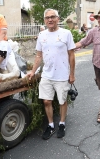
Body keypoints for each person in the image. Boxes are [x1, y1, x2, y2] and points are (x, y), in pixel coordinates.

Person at [27, 8, 75, 140]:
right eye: (47, 18)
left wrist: (72, 74)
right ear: (44, 20)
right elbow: (38, 55)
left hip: (62, 74)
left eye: (53, 17)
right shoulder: (42, 36)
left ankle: (62, 123)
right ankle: (51, 124)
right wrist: (32, 71)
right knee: (47, 101)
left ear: (58, 19)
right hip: (47, 75)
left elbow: (71, 55)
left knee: (62, 101)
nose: (50, 19)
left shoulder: (66, 33)